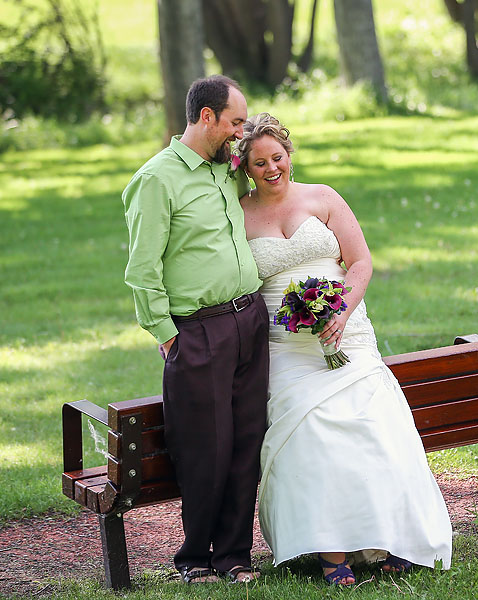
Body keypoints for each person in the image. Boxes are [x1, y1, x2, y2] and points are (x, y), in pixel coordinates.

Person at [236, 113, 453, 586]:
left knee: (375, 427)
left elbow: (359, 263)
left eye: (278, 157)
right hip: (286, 349)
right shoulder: (239, 212)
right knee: (312, 434)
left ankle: (393, 539)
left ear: (290, 155)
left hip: (347, 333)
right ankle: (333, 554)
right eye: (259, 163)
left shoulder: (324, 197)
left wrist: (340, 311)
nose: (272, 168)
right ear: (245, 168)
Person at [122, 76, 269, 585]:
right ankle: (195, 559)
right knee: (206, 447)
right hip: (198, 333)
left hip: (250, 322)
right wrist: (169, 337)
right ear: (206, 117)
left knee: (246, 441)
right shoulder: (156, 180)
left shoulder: (228, 171)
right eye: (234, 122)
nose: (240, 131)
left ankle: (234, 556)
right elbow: (142, 271)